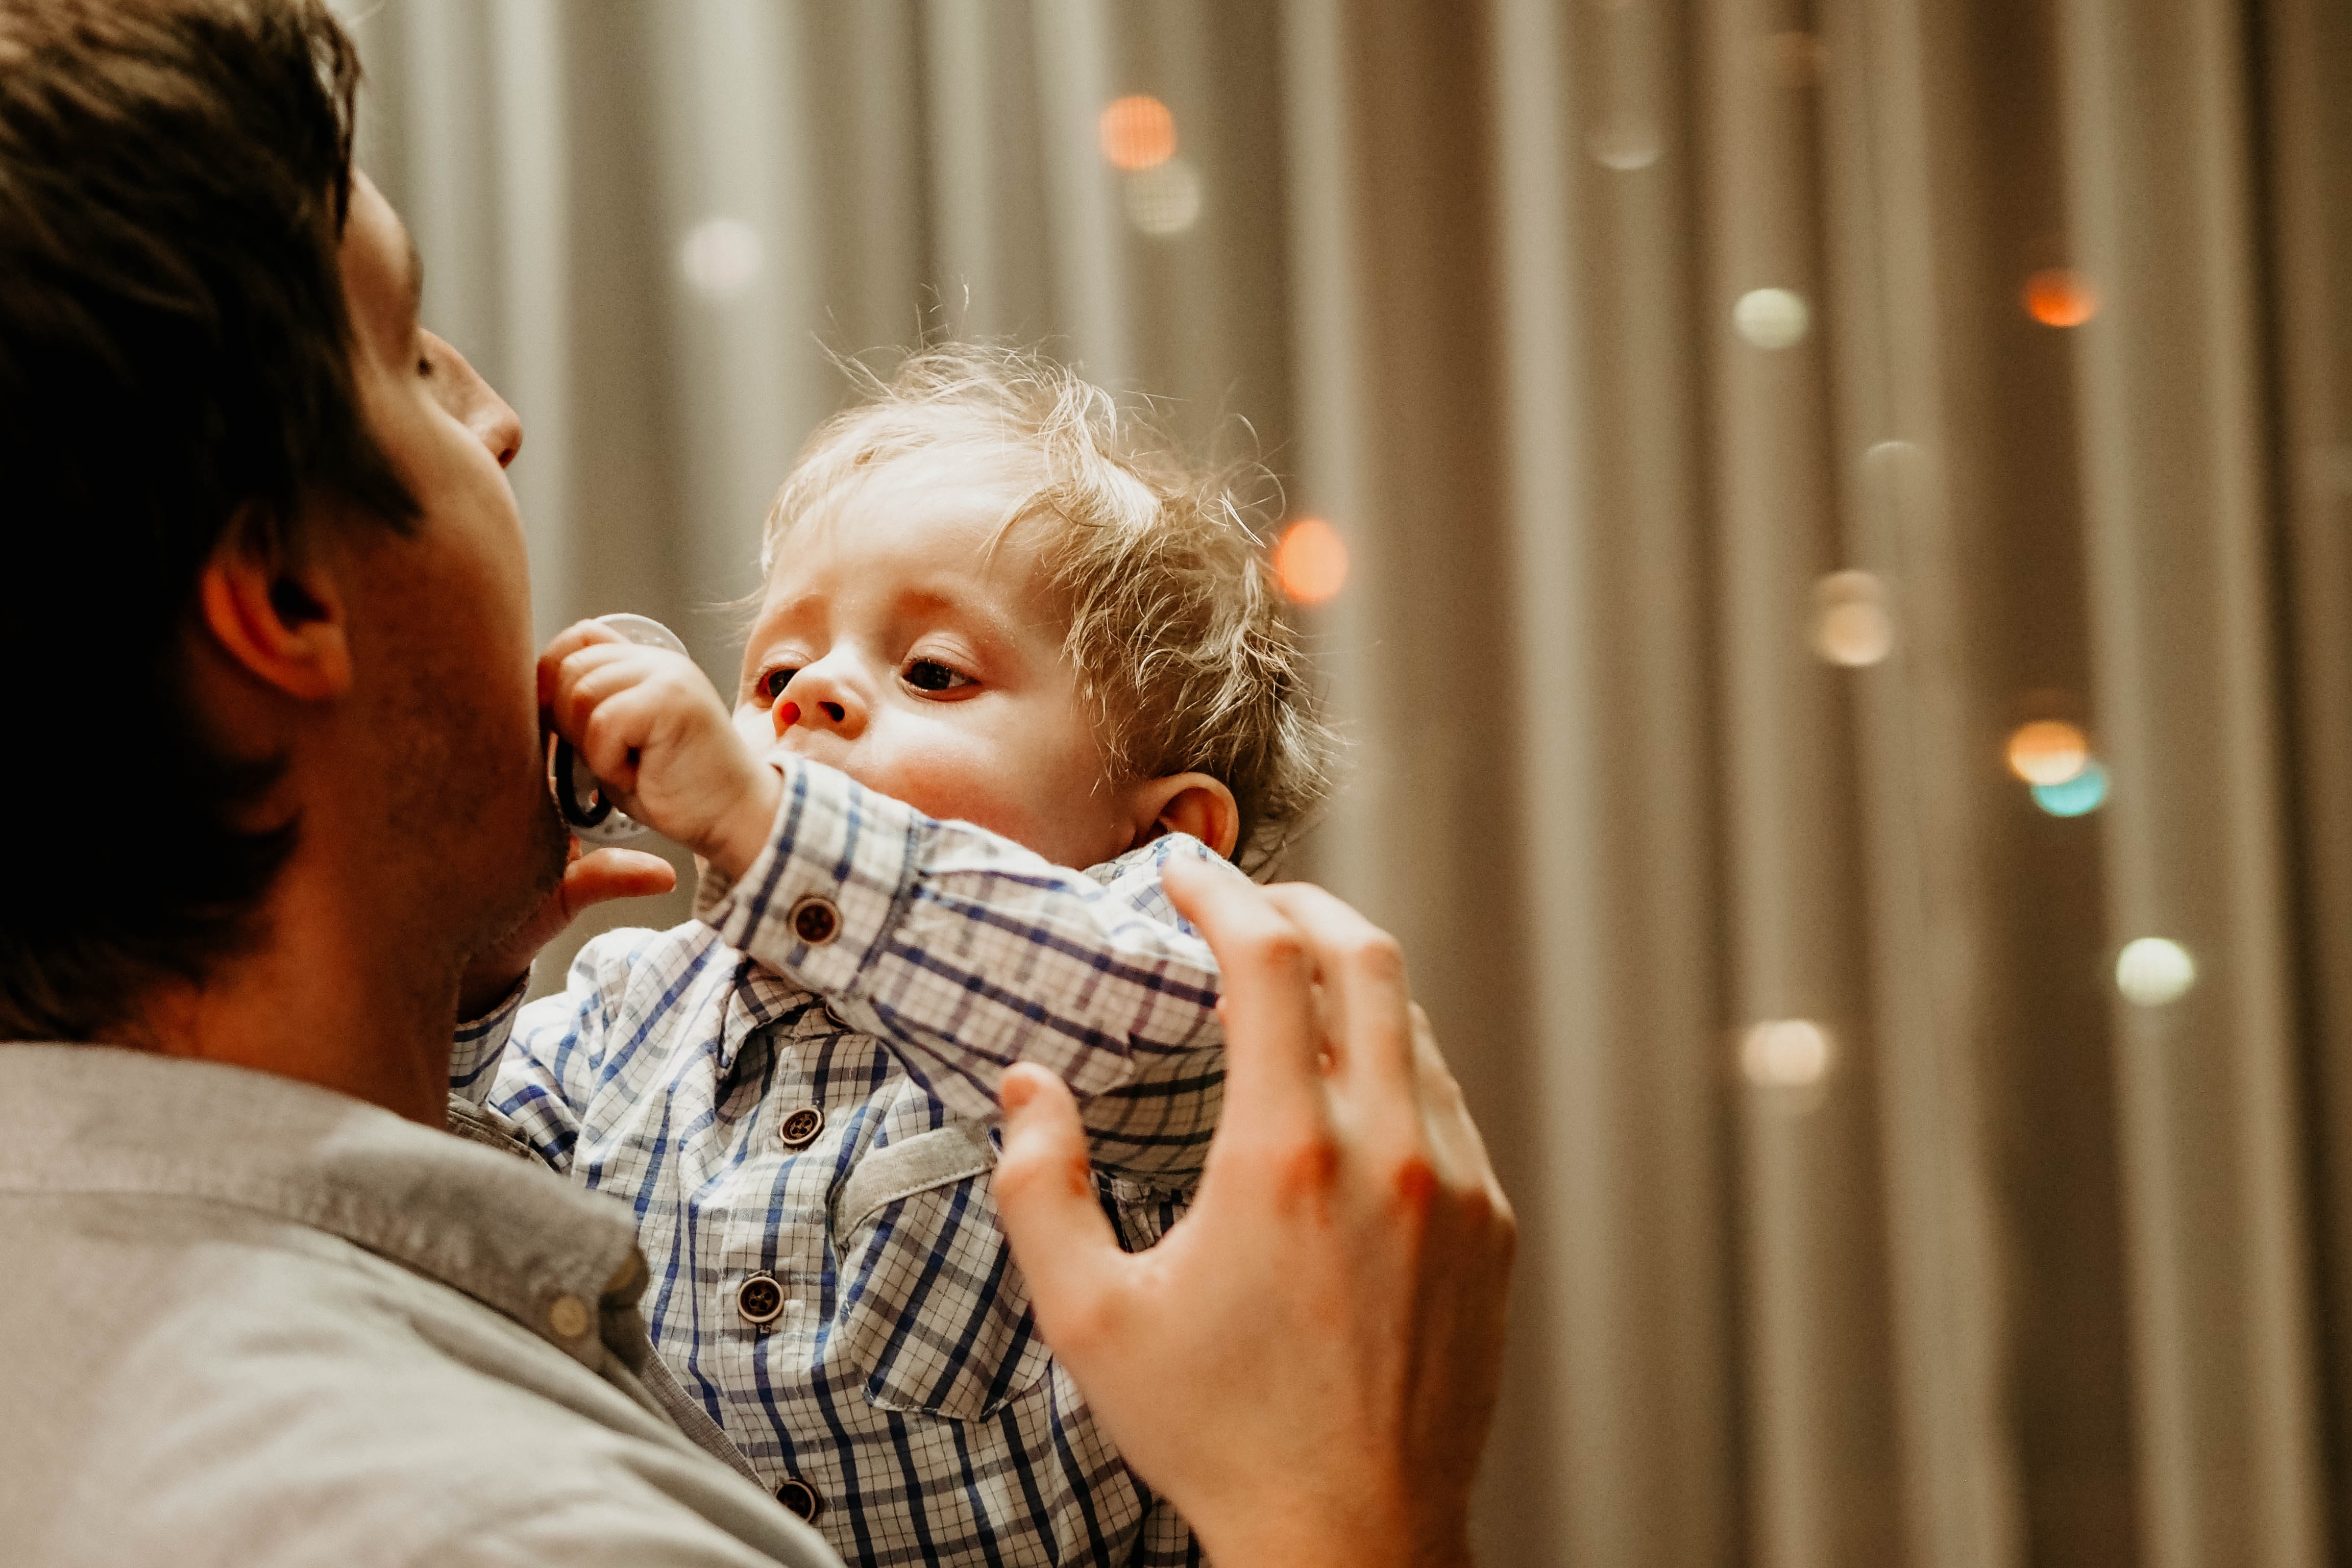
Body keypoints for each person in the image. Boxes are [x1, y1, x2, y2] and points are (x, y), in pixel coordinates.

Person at [0, 3, 1515, 1567]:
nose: (501, 418)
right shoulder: (516, 1493)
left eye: (932, 673)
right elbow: (503, 1159)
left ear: (1162, 826)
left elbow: (442, 1197)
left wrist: (449, 971)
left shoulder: (1133, 952)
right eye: (408, 356)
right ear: (286, 598)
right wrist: (1351, 1523)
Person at [450, 345, 1336, 1565]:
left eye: (932, 672)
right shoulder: (635, 1008)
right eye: (775, 670)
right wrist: (472, 976)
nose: (812, 693)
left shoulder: (1164, 960)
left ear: (1170, 832)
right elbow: (445, 1210)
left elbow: (1165, 1043)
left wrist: (770, 828)